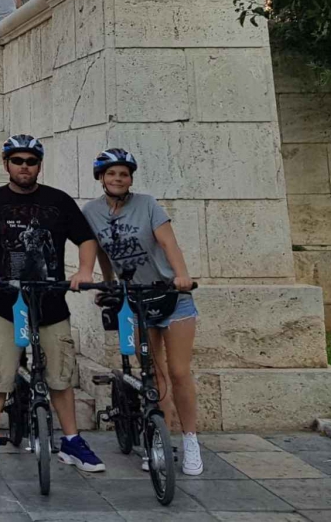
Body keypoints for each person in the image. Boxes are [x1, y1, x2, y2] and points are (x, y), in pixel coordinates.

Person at [0, 134, 105, 476]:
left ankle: (71, 440)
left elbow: (86, 239)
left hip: (52, 302)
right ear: (6, 163)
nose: (24, 167)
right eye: (18, 161)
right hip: (7, 303)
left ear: (39, 165)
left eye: (31, 161)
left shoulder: (58, 201)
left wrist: (84, 270)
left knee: (61, 375)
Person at [82, 148, 202, 476]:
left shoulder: (147, 204)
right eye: (111, 174)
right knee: (153, 373)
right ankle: (159, 441)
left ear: (130, 178)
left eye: (123, 174)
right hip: (136, 299)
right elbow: (102, 251)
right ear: (101, 178)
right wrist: (107, 283)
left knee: (178, 371)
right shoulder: (91, 211)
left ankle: (190, 439)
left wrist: (181, 276)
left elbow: (168, 243)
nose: (118, 179)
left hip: (170, 296)